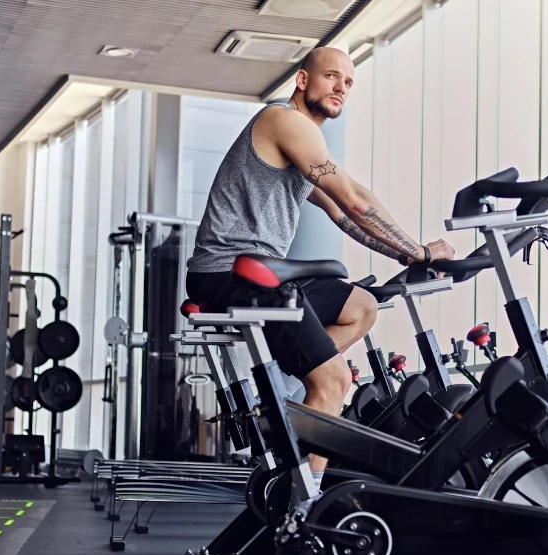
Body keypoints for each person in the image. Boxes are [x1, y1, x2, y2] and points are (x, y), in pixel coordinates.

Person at [185, 47, 455, 491]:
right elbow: (352, 199)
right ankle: (302, 502)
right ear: (303, 80)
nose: (341, 88)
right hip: (230, 271)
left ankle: (282, 402)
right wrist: (421, 252)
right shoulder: (282, 121)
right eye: (332, 77)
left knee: (361, 306)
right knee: (333, 381)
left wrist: (408, 254)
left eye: (348, 83)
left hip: (261, 271)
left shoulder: (300, 143)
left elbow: (346, 214)